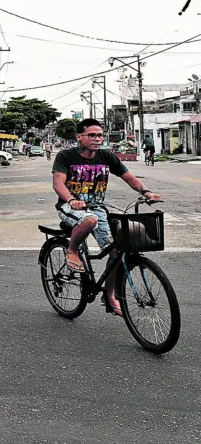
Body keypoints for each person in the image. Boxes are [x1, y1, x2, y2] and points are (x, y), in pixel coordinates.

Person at [51, 118, 161, 317]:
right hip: (70, 207)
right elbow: (58, 183)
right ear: (79, 137)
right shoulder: (66, 156)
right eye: (91, 135)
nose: (97, 139)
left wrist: (147, 192)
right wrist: (71, 200)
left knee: (117, 250)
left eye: (100, 135)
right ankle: (72, 250)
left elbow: (130, 178)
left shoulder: (107, 156)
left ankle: (109, 296)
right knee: (89, 220)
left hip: (98, 208)